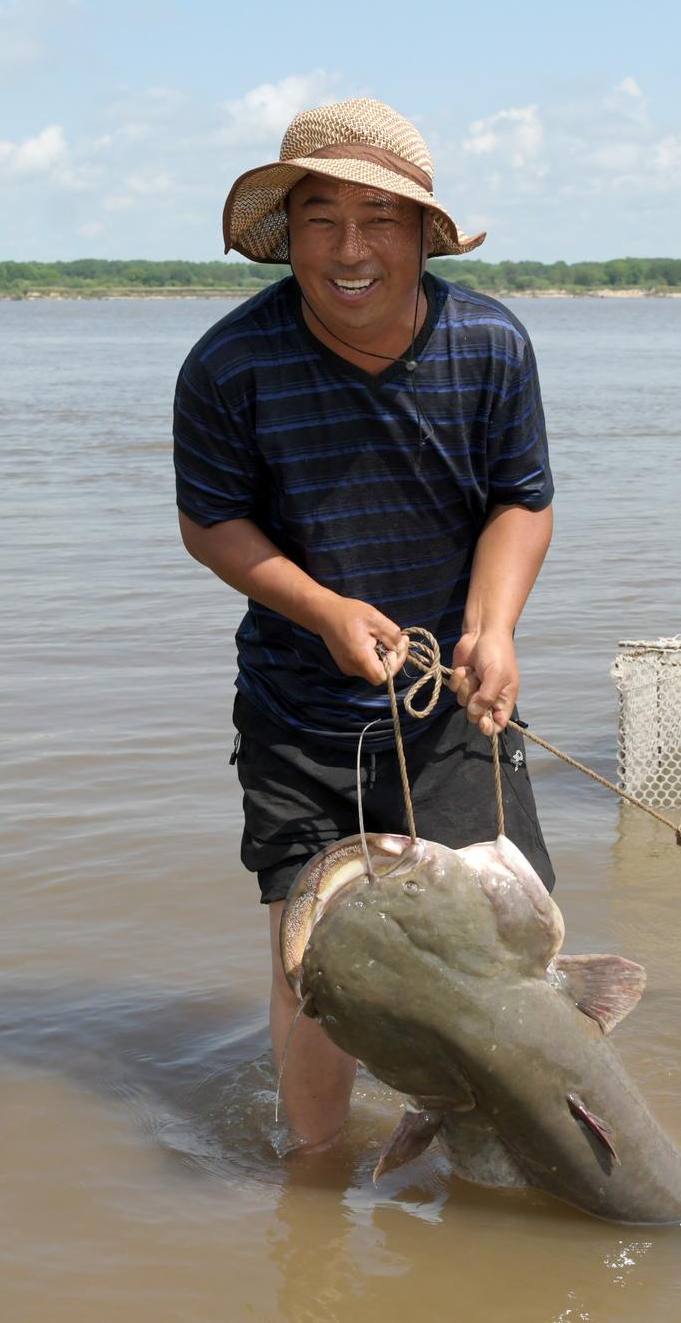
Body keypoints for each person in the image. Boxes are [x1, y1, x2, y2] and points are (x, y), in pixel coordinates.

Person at [173, 97, 557, 1147]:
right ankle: (314, 1187)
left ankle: (504, 1172)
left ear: (423, 235)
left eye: (378, 220)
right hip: (296, 713)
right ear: (284, 235)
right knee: (317, 972)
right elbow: (211, 523)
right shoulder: (227, 367)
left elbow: (520, 499)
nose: (349, 250)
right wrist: (323, 608)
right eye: (320, 219)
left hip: (452, 710)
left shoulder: (487, 344)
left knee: (503, 960)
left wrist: (493, 626)